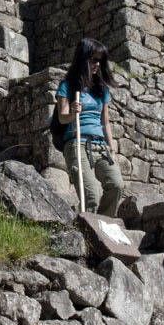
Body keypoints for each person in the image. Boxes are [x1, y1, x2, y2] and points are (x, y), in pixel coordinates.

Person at [55, 38, 125, 216]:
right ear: (83, 58)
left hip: (100, 145)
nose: (97, 64)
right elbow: (62, 118)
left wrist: (112, 147)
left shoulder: (101, 90)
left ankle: (102, 225)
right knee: (91, 195)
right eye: (93, 59)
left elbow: (105, 122)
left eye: (100, 60)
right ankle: (89, 231)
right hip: (77, 143)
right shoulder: (68, 86)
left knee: (116, 185)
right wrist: (72, 112)